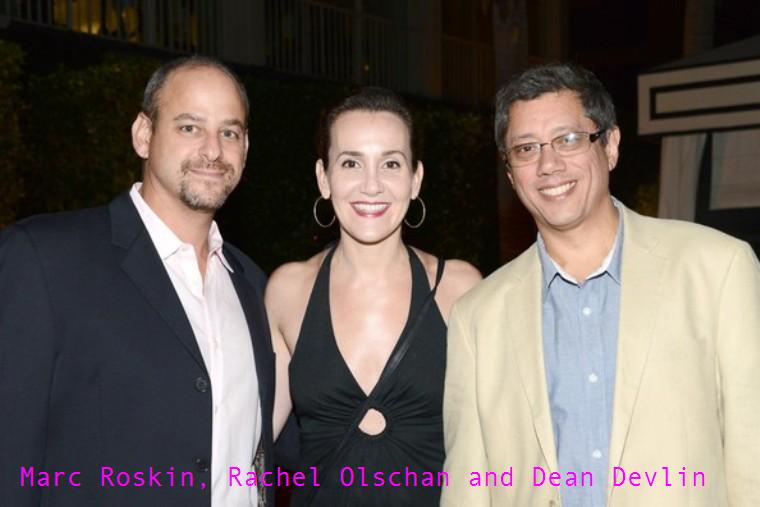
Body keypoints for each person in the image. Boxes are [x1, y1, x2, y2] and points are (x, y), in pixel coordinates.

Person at [442, 63, 760, 506]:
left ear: (610, 145)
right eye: (526, 148)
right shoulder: (477, 317)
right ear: (511, 173)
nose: (549, 164)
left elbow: (752, 452)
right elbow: (468, 484)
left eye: (569, 139)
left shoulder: (717, 269)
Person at [0, 56, 276, 506]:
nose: (212, 150)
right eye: (190, 127)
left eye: (229, 133)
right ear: (143, 135)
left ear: (245, 148)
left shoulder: (255, 287)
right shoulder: (45, 260)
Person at [266, 87, 481, 506]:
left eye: (391, 163)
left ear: (415, 179)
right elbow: (252, 441)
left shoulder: (459, 288)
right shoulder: (288, 291)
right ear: (323, 178)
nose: (371, 185)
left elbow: (499, 435)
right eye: (351, 163)